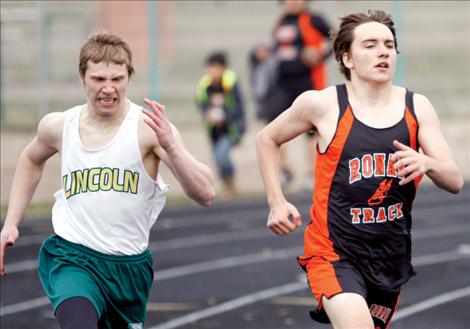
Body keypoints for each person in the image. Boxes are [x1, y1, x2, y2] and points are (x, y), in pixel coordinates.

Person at [256, 10, 463, 329]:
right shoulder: (322, 105)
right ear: (347, 58)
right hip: (334, 253)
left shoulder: (416, 107)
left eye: (389, 44)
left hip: (388, 256)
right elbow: (267, 138)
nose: (383, 51)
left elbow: (454, 180)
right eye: (370, 44)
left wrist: (428, 163)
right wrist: (276, 201)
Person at [0, 31, 215, 329]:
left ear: (129, 77)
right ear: (82, 78)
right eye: (98, 79)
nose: (108, 89)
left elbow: (205, 193)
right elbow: (30, 158)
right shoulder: (59, 126)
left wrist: (172, 147)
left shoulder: (149, 129)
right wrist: (11, 223)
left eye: (117, 79)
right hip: (73, 257)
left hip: (128, 270)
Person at [258, 0, 332, 188]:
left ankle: (312, 173)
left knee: (312, 129)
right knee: (276, 126)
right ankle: (284, 170)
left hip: (308, 82)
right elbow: (276, 46)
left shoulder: (314, 20)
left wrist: (319, 54)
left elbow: (336, 38)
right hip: (282, 84)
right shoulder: (281, 20)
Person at [196, 51, 246, 197]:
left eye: (216, 67)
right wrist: (208, 114)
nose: (212, 71)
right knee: (217, 160)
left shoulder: (230, 83)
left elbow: (239, 107)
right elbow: (201, 103)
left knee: (222, 155)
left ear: (224, 68)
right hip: (214, 130)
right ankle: (227, 185)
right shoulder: (205, 85)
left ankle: (231, 182)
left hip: (231, 129)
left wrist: (224, 117)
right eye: (210, 68)